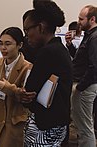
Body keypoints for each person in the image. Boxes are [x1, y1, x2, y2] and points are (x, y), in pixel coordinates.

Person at [18, 0, 73, 146]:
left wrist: (24, 95)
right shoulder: (60, 49)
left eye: (27, 29)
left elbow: (30, 89)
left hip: (47, 124)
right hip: (59, 121)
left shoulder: (47, 52)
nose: (26, 35)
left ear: (41, 27)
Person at [71, 5, 97, 147]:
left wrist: (80, 88)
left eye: (81, 19)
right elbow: (81, 61)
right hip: (84, 85)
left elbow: (94, 66)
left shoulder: (94, 37)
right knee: (83, 127)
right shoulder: (89, 35)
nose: (78, 22)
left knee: (85, 128)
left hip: (85, 87)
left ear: (92, 19)